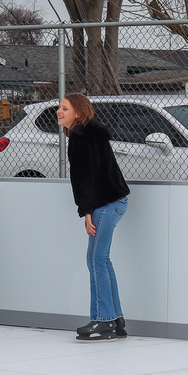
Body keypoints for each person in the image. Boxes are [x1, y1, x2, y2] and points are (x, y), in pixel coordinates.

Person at [58, 93, 130, 342]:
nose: (59, 111)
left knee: (97, 259)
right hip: (113, 201)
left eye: (64, 108)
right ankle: (116, 319)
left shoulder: (81, 137)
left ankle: (103, 320)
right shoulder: (87, 134)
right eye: (60, 107)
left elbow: (85, 177)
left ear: (78, 113)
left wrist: (87, 211)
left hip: (106, 203)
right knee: (101, 260)